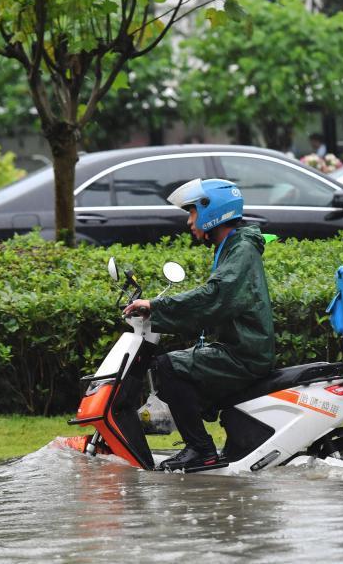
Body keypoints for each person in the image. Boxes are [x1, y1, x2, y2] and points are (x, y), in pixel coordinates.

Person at [122, 178, 275, 471]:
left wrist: (156, 306)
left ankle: (201, 449)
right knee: (177, 368)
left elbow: (215, 295)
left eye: (192, 213)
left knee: (168, 366)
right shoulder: (233, 246)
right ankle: (203, 446)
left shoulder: (241, 248)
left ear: (211, 211)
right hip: (237, 346)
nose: (189, 222)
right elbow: (215, 303)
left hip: (244, 352)